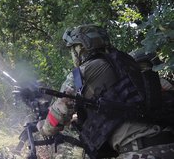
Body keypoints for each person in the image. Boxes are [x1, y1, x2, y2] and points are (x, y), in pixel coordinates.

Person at [37, 24, 174, 159]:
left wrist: (43, 128)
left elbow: (60, 112)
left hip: (139, 152)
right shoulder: (132, 64)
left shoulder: (80, 74)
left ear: (81, 47)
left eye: (73, 48)